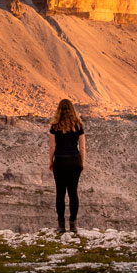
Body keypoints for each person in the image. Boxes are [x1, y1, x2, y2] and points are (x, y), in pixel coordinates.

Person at [48, 98, 85, 233]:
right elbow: (82, 147)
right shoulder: (78, 125)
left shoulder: (54, 126)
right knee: (73, 192)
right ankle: (73, 224)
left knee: (60, 193)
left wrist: (51, 161)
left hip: (61, 161)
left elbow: (52, 146)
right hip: (75, 161)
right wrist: (82, 162)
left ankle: (61, 225)